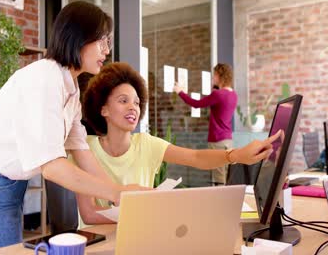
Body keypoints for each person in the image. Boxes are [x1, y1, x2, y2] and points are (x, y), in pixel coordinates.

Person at [0, 2, 147, 254]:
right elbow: (52, 167)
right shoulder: (45, 80)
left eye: (107, 42)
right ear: (77, 37)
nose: (106, 49)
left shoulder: (69, 86)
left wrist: (121, 196)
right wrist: (118, 192)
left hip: (5, 186)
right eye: (101, 40)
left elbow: (81, 151)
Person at [76, 62, 281, 225]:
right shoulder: (84, 148)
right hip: (96, 244)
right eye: (123, 101)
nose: (133, 107)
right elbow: (89, 214)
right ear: (103, 109)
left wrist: (235, 155)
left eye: (137, 102)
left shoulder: (147, 144)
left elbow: (195, 157)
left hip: (138, 238)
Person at [174, 63, 238, 185]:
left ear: (220, 76)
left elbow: (196, 104)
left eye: (214, 75)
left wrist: (180, 92)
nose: (213, 78)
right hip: (228, 140)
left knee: (219, 178)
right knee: (226, 175)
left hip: (217, 140)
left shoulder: (218, 95)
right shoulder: (233, 95)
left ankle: (220, 203)